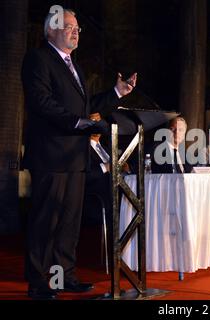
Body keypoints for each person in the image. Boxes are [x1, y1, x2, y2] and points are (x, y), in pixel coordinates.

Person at [21, 8, 137, 300]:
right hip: (51, 156)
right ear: (52, 30)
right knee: (46, 220)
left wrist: (117, 92)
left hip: (75, 157)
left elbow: (85, 107)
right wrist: (78, 123)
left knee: (69, 222)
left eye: (77, 28)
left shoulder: (74, 65)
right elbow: (41, 102)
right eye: (70, 26)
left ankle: (63, 277)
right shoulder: (38, 59)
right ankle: (38, 282)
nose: (76, 31)